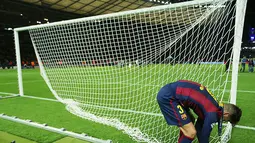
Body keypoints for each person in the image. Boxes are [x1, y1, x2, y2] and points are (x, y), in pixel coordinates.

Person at [157, 80, 242, 143]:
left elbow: (200, 126)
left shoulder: (215, 105)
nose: (224, 121)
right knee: (191, 132)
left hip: (173, 93)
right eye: (226, 120)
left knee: (191, 120)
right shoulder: (213, 113)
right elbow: (204, 136)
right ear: (226, 114)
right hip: (169, 97)